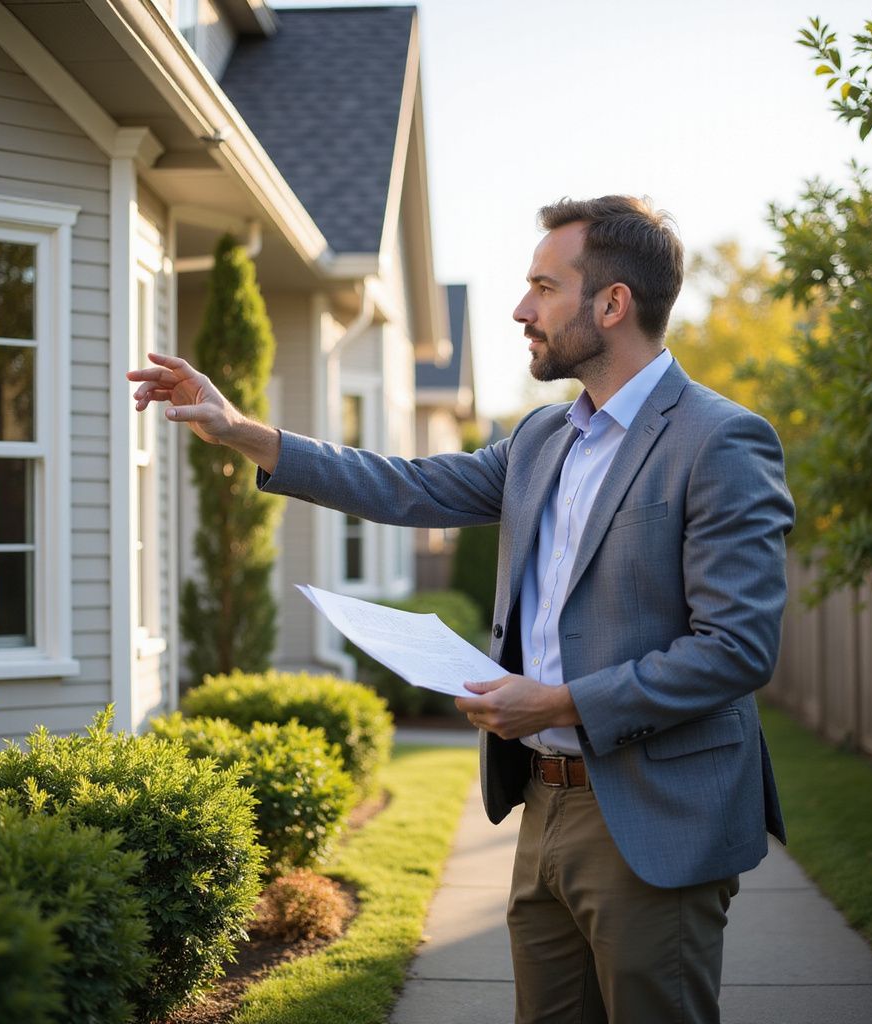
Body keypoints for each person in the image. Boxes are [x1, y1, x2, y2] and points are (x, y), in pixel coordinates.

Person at [128, 195, 794, 1024]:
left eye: (543, 287)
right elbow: (407, 485)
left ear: (613, 304)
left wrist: (557, 702)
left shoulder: (720, 441)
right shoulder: (543, 439)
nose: (522, 309)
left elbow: (735, 649)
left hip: (655, 819)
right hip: (540, 803)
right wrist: (243, 433)